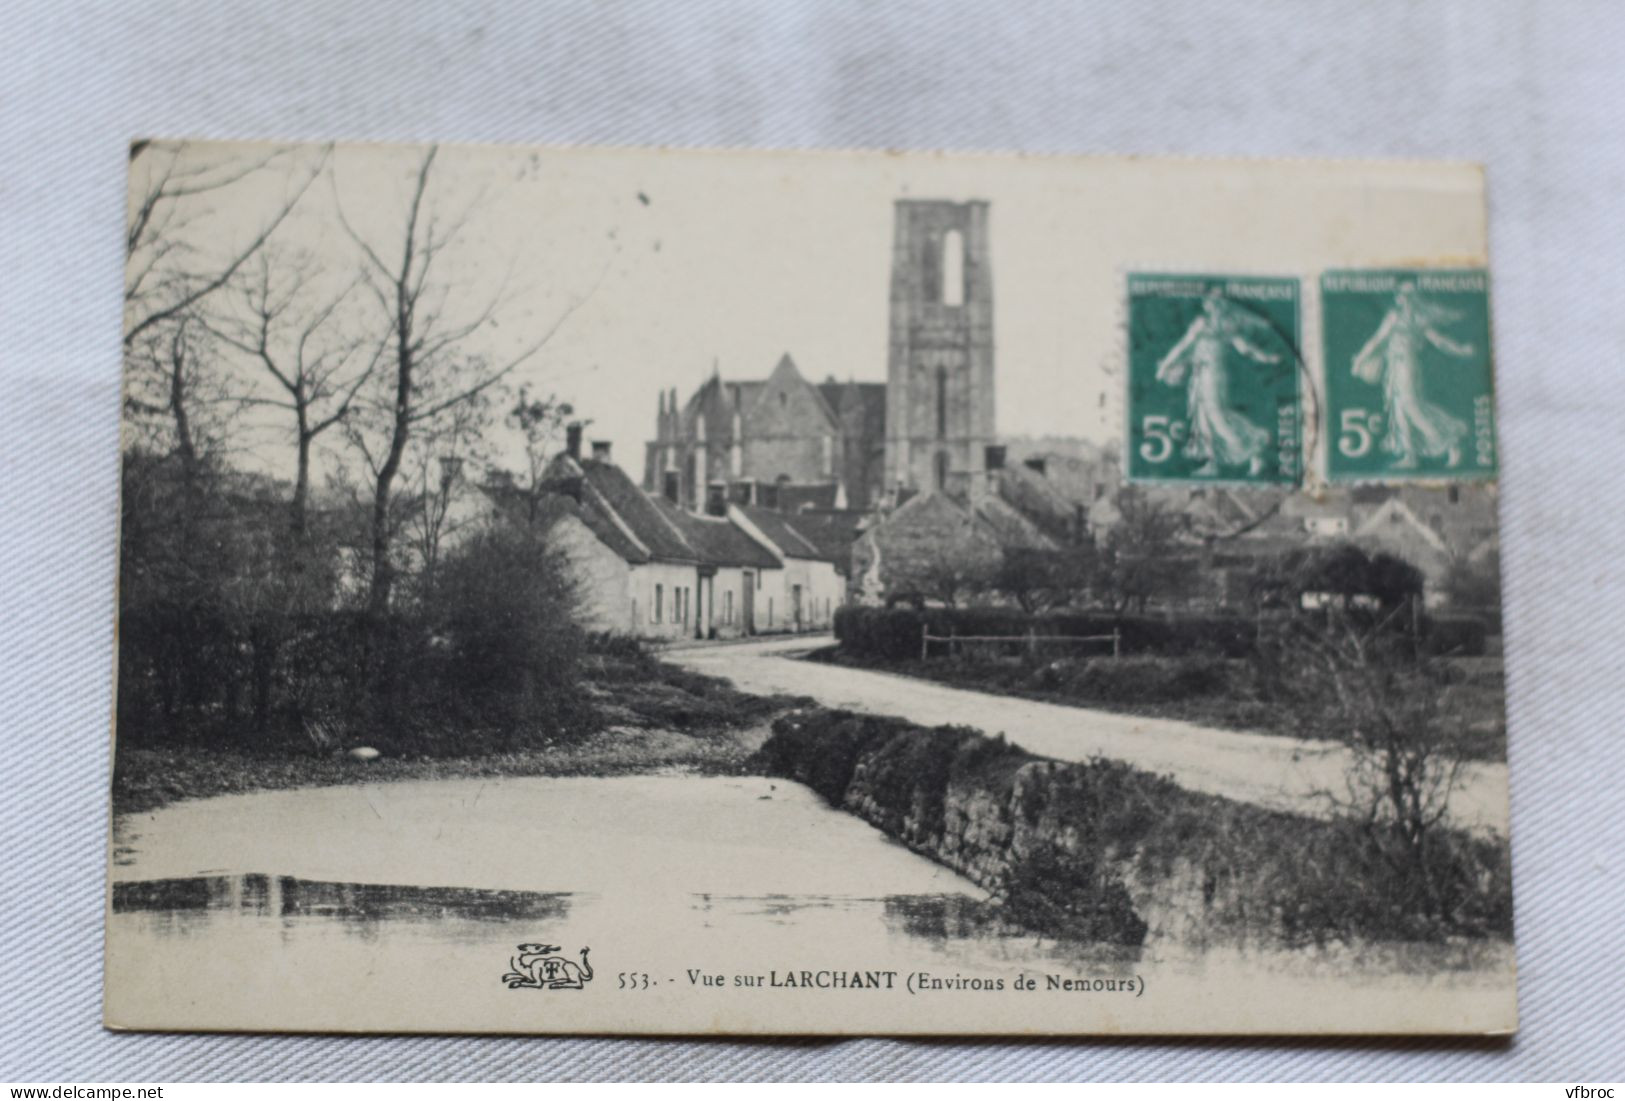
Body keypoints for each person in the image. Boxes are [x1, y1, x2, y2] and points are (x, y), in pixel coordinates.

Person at [1156, 288, 1280, 477]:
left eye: (1218, 302)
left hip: (1211, 374)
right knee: (1203, 418)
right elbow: (1184, 346)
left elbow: (1245, 349)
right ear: (1207, 304)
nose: (1214, 305)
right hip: (1201, 375)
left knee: (1216, 416)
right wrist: (1166, 364)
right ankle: (1213, 463)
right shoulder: (1208, 323)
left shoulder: (1219, 324)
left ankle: (1253, 453)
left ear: (1222, 305)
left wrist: (1267, 358)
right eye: (1212, 301)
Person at [1352, 281, 1475, 469]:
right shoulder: (1394, 316)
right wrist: (1360, 359)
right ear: (1399, 299)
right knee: (1399, 409)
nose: (1405, 299)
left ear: (1414, 298)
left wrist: (1461, 350)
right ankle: (1409, 456)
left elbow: (1440, 341)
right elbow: (1378, 339)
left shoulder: (1419, 319)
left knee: (1411, 406)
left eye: (1409, 296)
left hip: (1407, 365)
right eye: (1402, 296)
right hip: (1393, 366)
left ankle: (1450, 443)